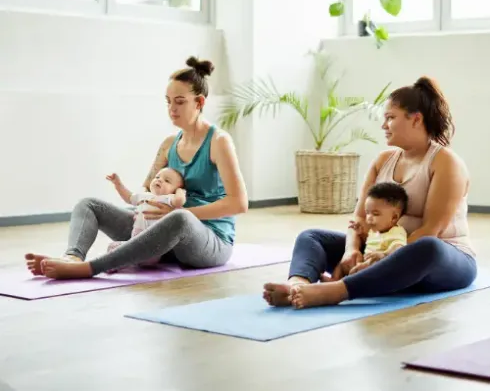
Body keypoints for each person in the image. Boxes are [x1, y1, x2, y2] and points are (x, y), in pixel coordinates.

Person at [263, 76, 477, 309]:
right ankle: (297, 286)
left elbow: (430, 231)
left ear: (416, 119)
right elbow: (358, 219)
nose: (383, 126)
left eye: (390, 118)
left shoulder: (446, 163)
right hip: (378, 253)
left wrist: (384, 259)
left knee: (427, 248)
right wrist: (352, 250)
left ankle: (333, 291)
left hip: (440, 261)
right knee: (312, 237)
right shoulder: (382, 161)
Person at [25, 56, 248, 279]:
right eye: (168, 101)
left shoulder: (219, 141)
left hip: (210, 241)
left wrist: (181, 211)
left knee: (181, 219)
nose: (172, 108)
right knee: (89, 205)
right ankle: (72, 257)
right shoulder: (169, 144)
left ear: (199, 103)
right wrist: (142, 210)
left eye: (179, 102)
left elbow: (239, 203)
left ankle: (90, 268)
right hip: (163, 236)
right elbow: (146, 191)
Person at [105, 167, 187, 269]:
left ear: (174, 191)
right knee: (114, 247)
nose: (159, 180)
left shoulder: (168, 199)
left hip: (153, 246)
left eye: (167, 181)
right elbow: (129, 197)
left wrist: (180, 191)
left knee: (138, 255)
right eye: (157, 177)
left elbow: (179, 201)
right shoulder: (144, 196)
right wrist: (118, 184)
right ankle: (120, 261)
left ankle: (115, 263)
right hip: (135, 240)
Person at [330, 182, 409, 280]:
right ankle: (334, 279)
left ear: (394, 217)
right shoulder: (376, 231)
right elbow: (373, 243)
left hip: (381, 267)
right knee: (345, 260)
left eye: (375, 214)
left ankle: (344, 284)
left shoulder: (397, 232)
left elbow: (399, 248)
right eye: (367, 212)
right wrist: (361, 234)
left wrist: (383, 255)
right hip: (366, 261)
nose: (369, 218)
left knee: (363, 268)